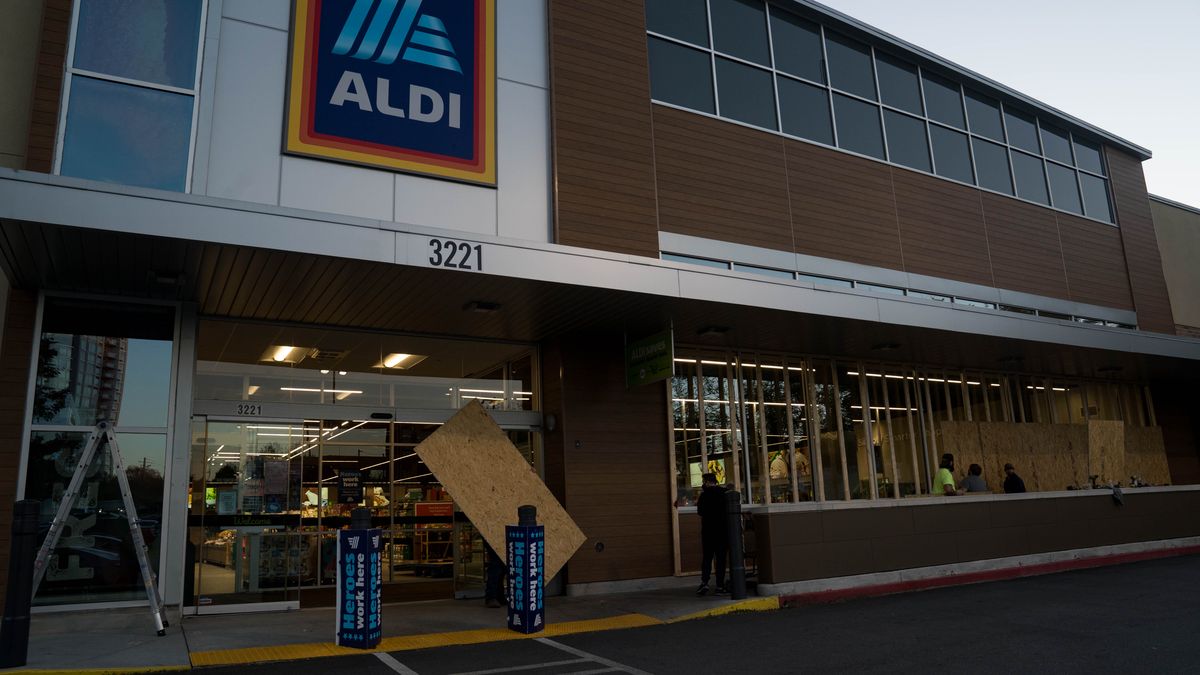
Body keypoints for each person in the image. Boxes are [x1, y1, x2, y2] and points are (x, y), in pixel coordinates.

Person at [696, 472, 729, 596]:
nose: (703, 484)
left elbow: (700, 512)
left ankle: (705, 582)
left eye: (704, 482)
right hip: (722, 531)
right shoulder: (724, 493)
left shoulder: (704, 495)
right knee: (720, 559)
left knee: (707, 558)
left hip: (708, 532)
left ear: (708, 482)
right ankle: (720, 586)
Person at [484, 541, 506, 608]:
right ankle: (491, 597)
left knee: (501, 567)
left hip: (496, 538)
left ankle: (498, 596)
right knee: (496, 566)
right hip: (494, 538)